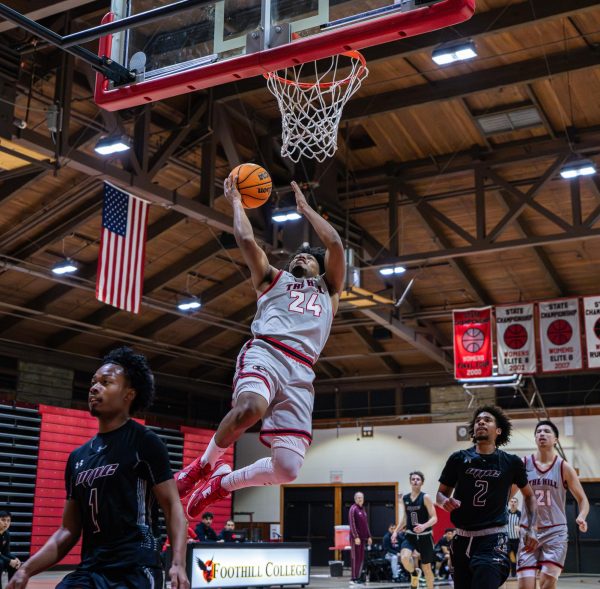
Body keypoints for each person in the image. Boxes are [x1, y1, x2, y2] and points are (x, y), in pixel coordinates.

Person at [177, 178, 345, 517]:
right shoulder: (272, 279)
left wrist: (306, 210)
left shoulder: (329, 290)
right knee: (250, 408)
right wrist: (236, 201)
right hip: (267, 351)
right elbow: (245, 238)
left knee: (288, 468)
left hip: (300, 370)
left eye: (308, 258)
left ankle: (223, 483)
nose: (300, 257)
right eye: (296, 256)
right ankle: (205, 465)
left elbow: (336, 244)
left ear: (319, 269)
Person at [7, 347, 189, 589]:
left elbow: (172, 506)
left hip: (135, 569)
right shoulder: (77, 458)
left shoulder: (144, 442)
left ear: (129, 394)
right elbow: (67, 531)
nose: (94, 387)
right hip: (90, 570)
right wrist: (25, 570)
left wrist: (178, 563)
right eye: (93, 382)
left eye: (106, 382)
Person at [436, 405, 538, 589]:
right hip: (461, 540)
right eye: (477, 421)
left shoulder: (511, 462)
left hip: (492, 539)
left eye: (487, 420)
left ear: (498, 430)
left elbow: (529, 496)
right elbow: (441, 493)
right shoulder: (458, 459)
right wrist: (445, 502)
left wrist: (532, 528)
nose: (481, 422)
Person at [517, 420, 589, 589]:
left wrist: (582, 516)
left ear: (555, 439)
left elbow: (583, 499)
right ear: (535, 438)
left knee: (547, 584)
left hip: (555, 531)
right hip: (529, 529)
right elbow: (506, 495)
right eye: (539, 431)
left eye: (547, 431)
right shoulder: (523, 464)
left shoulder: (564, 467)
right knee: (525, 586)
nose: (542, 434)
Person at [392, 471, 437, 589]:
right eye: (413, 479)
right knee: (404, 558)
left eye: (418, 479)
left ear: (422, 482)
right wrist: (396, 531)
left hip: (425, 536)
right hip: (410, 535)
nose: (415, 481)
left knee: (426, 568)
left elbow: (434, 518)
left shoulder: (425, 497)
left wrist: (424, 526)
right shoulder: (405, 498)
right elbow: (405, 519)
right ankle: (414, 574)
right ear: (410, 482)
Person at [349, 492, 372, 586]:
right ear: (355, 499)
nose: (360, 499)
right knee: (355, 558)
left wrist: (369, 536)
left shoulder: (363, 509)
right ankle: (353, 578)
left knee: (361, 558)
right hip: (356, 539)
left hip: (363, 538)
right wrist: (356, 536)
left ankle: (358, 577)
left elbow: (365, 524)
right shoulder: (353, 509)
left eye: (361, 497)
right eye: (358, 497)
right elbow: (352, 523)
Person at [0, 511, 20, 588]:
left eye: (8, 521)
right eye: (3, 520)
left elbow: (6, 552)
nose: (6, 523)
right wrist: (9, 561)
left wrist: (15, 559)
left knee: (15, 564)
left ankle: (11, 587)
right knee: (0, 563)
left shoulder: (7, 534)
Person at [507, 496, 521, 578]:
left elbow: (525, 526)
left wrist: (520, 528)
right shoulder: (506, 513)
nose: (513, 503)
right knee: (511, 556)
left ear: (517, 504)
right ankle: (512, 574)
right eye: (511, 501)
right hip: (508, 540)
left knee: (515, 557)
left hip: (517, 540)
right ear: (509, 503)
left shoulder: (520, 514)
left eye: (515, 502)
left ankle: (514, 574)